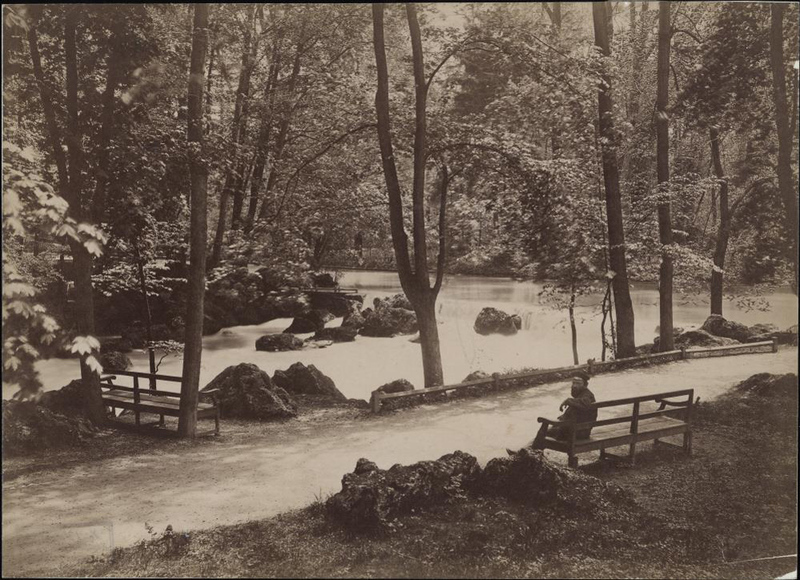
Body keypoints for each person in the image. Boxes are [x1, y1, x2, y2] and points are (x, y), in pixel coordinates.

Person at [534, 371, 598, 445]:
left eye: (578, 383)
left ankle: (532, 452)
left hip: (576, 433)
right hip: (579, 431)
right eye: (573, 383)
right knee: (547, 431)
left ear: (585, 385)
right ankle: (532, 452)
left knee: (542, 433)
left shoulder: (587, 395)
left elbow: (585, 404)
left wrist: (568, 401)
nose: (574, 386)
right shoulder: (581, 395)